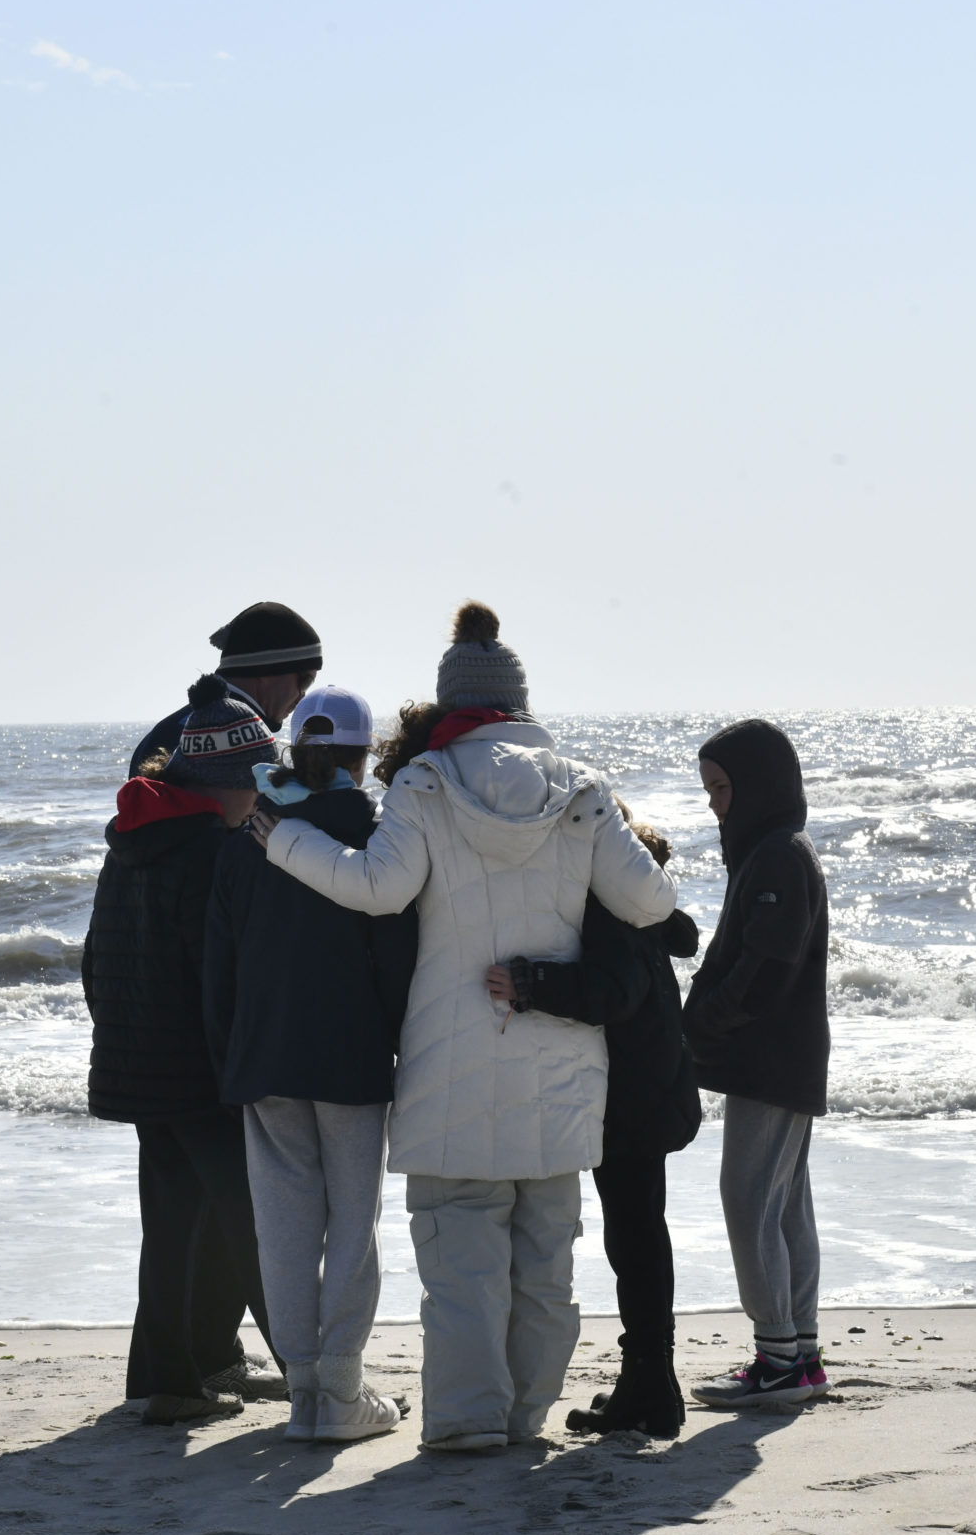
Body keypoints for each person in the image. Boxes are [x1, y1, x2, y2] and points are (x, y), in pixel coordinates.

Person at [252, 603, 674, 1452]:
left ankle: (467, 1417)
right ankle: (526, 1415)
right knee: (546, 1255)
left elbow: (377, 886)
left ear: (450, 703)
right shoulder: (584, 790)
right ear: (522, 702)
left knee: (461, 1257)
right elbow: (653, 903)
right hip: (559, 1061)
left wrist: (283, 839)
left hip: (450, 1059)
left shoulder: (425, 782)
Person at [202, 686, 419, 1443]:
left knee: (285, 1229)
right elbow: (396, 961)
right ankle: (341, 1391)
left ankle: (303, 1392)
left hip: (264, 1058)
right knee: (353, 1230)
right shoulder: (374, 836)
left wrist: (231, 1058)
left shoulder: (248, 838)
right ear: (363, 757)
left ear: (293, 752)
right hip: (352, 1058)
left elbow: (218, 970)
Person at [83, 674, 287, 1425]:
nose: (263, 795)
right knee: (257, 1224)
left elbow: (95, 960)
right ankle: (317, 1374)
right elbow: (224, 976)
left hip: (138, 1068)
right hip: (202, 1073)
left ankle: (162, 1381)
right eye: (259, 779)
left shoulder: (131, 842)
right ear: (224, 783)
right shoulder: (213, 854)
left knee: (169, 1229)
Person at [485, 807, 702, 1438]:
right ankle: (650, 1382)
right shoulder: (639, 897)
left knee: (634, 1239)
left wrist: (531, 983)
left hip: (634, 1093)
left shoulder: (608, 900)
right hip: (652, 1083)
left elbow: (614, 991)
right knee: (637, 1235)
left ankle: (652, 1387)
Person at [682, 719, 832, 1409]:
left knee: (748, 1200)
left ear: (757, 786)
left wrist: (699, 1024)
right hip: (787, 1059)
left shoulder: (777, 856)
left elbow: (764, 970)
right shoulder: (776, 850)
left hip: (771, 1061)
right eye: (708, 789)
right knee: (784, 1204)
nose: (714, 803)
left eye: (721, 788)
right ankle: (798, 1354)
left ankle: (776, 1356)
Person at [129, 602, 325, 776]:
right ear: (267, 671)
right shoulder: (246, 740)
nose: (302, 696)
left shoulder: (165, 731)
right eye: (305, 682)